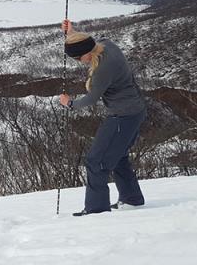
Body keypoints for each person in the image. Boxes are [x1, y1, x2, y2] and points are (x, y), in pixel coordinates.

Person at [59, 19, 147, 216]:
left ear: (87, 54)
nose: (79, 62)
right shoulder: (106, 44)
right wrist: (72, 33)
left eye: (78, 58)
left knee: (96, 161)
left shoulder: (102, 70)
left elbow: (91, 98)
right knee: (118, 156)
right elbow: (87, 42)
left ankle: (96, 210)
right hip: (135, 110)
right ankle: (132, 200)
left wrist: (70, 103)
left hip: (123, 116)